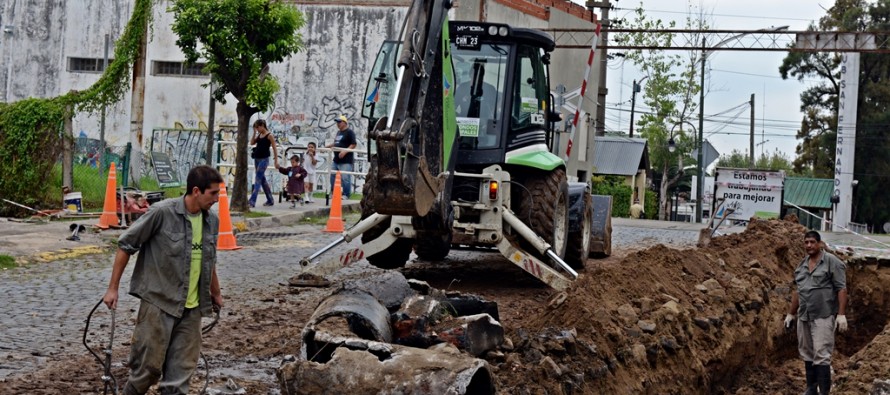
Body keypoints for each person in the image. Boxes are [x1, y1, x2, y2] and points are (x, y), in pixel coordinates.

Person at [102, 165, 224, 395]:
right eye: (213, 193)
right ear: (196, 191)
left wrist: (215, 292)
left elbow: (209, 259)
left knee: (179, 380)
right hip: (159, 304)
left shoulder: (211, 221)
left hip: (192, 310)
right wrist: (112, 289)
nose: (217, 199)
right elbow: (126, 245)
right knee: (146, 371)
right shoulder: (162, 213)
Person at [784, 230, 847, 394]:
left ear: (819, 243)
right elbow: (798, 291)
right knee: (807, 353)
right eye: (806, 242)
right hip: (804, 315)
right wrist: (791, 314)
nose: (809, 245)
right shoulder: (802, 266)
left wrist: (841, 314)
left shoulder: (831, 262)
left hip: (823, 316)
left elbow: (841, 288)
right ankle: (811, 388)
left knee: (822, 354)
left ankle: (824, 392)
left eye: (812, 242)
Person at [249, 119, 279, 207]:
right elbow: (251, 143)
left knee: (257, 179)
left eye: (258, 127)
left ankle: (252, 201)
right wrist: (254, 133)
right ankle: (270, 199)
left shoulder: (269, 136)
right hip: (257, 159)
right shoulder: (259, 135)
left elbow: (274, 148)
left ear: (262, 125)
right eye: (256, 128)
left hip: (264, 160)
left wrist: (276, 160)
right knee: (262, 180)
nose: (257, 129)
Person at [326, 115, 356, 198]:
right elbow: (336, 143)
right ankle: (333, 193)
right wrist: (327, 147)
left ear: (344, 123)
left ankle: (346, 194)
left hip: (346, 160)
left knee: (345, 177)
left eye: (339, 122)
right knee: (332, 175)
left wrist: (345, 151)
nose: (337, 124)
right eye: (337, 122)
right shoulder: (338, 133)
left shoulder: (350, 132)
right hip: (336, 160)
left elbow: (353, 144)